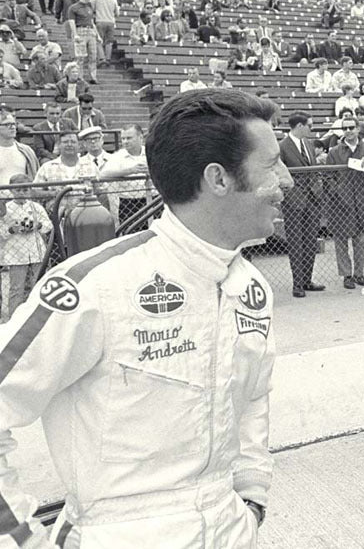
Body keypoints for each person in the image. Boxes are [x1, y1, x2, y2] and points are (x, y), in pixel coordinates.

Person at [2, 88, 286, 546]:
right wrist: (19, 539)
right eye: (272, 165)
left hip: (230, 527)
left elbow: (254, 397)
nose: (287, 180)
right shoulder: (93, 285)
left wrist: (251, 496)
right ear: (218, 179)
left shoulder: (250, 287)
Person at [326, 118, 364, 289]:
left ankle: (359, 273)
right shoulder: (334, 151)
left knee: (361, 239)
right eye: (345, 128)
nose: (348, 131)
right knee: (341, 240)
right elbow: (328, 177)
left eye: (351, 127)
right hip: (341, 202)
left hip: (363, 200)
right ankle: (346, 275)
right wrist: (338, 192)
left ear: (358, 129)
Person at [279, 111, 326, 298]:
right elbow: (280, 173)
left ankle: (307, 279)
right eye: (310, 125)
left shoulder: (308, 144)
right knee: (296, 242)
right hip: (294, 200)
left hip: (312, 199)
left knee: (309, 241)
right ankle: (297, 283)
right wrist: (289, 194)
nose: (311, 129)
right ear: (300, 126)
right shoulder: (282, 146)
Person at [0, 173, 52, 320]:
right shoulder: (6, 209)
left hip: (36, 251)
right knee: (17, 287)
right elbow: (1, 231)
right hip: (15, 253)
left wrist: (38, 225)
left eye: (25, 190)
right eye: (18, 190)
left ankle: (38, 315)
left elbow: (48, 225)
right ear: (11, 191)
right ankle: (15, 318)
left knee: (38, 283)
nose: (22, 194)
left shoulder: (35, 207)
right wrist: (11, 230)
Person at [99, 124, 151, 228]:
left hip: (151, 199)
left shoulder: (151, 152)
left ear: (140, 137)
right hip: (129, 203)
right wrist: (130, 171)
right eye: (123, 138)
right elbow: (103, 174)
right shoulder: (118, 156)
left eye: (129, 138)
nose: (125, 141)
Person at [66, 0, 100, 83]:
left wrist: (98, 35)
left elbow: (92, 22)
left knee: (93, 56)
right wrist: (75, 34)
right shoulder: (73, 8)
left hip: (90, 31)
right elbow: (71, 22)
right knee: (80, 57)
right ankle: (79, 77)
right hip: (80, 30)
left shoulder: (89, 7)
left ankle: (93, 77)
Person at [0, 110, 39, 185]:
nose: (13, 127)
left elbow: (36, 178)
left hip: (22, 195)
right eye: (7, 124)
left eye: (13, 124)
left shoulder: (27, 151)